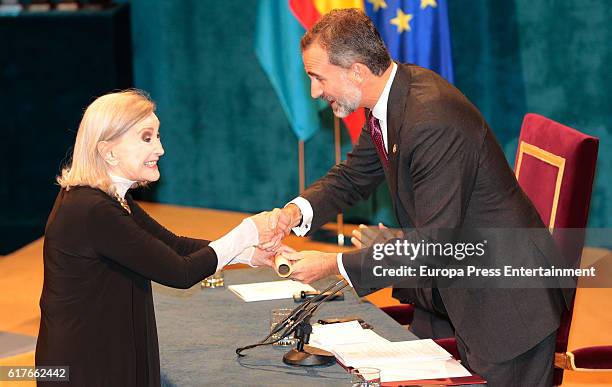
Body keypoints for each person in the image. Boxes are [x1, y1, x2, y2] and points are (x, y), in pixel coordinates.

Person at [266, 9, 569, 386]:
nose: (314, 91)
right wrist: (293, 213)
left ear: (357, 70)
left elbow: (434, 245)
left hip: (506, 306)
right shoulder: (392, 99)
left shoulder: (430, 120)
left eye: (317, 77)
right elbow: (354, 176)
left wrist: (331, 265)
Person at [35, 90, 281, 386]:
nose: (161, 149)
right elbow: (180, 272)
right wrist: (247, 231)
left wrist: (248, 253)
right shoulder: (92, 210)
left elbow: (173, 246)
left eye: (158, 136)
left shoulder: (107, 199)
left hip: (101, 354)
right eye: (147, 138)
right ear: (108, 151)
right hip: (85, 367)